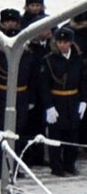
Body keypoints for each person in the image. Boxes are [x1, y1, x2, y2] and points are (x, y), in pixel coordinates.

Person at [38, 24, 83, 176]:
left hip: (73, 100)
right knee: (56, 136)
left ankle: (70, 164)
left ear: (71, 42)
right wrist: (49, 106)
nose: (62, 45)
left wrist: (84, 100)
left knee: (72, 135)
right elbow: (44, 85)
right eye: (60, 42)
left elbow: (83, 81)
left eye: (65, 42)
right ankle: (56, 167)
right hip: (57, 101)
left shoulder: (78, 59)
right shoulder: (49, 60)